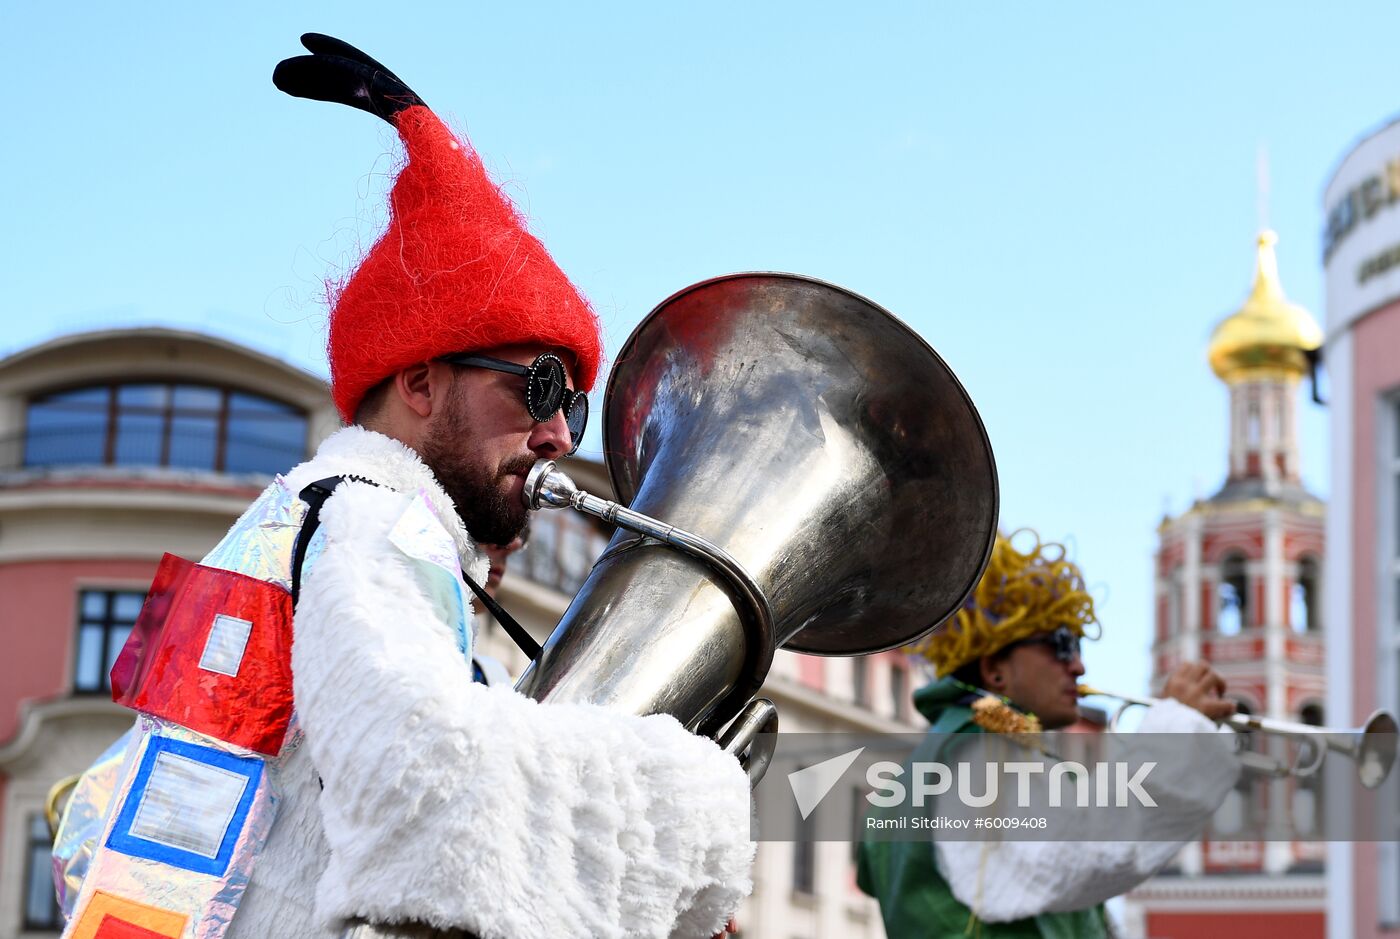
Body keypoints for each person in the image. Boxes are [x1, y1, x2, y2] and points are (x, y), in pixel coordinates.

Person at [51, 34, 752, 939]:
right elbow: (421, 774)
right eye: (537, 388)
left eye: (574, 407)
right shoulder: (373, 521)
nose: (558, 434)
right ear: (420, 381)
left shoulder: (325, 522)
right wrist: (691, 806)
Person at [857, 530, 1240, 938]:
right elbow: (1086, 850)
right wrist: (1178, 728)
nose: (1078, 667)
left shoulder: (954, 753)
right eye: (1060, 644)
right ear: (995, 669)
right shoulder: (981, 750)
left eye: (1077, 646)